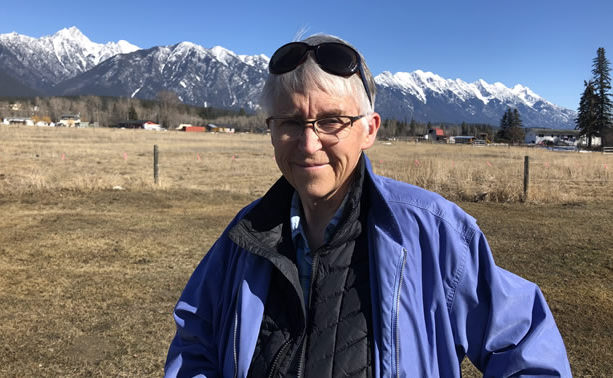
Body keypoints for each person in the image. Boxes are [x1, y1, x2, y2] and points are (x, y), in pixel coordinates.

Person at [165, 34, 572, 377]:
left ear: (369, 130)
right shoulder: (246, 235)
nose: (309, 144)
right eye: (290, 121)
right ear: (271, 131)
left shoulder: (433, 234)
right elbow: (195, 341)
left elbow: (526, 345)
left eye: (331, 121)